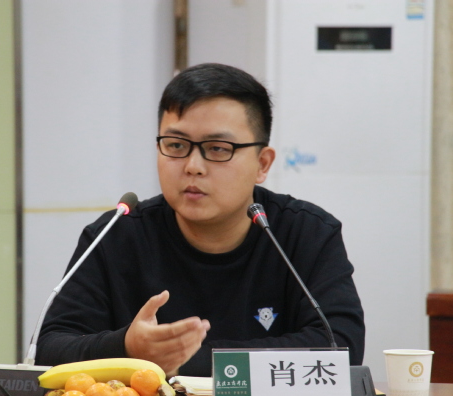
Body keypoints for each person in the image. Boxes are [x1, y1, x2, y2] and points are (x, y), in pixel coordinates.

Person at [35, 63, 365, 377]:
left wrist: (179, 360)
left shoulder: (306, 233)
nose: (193, 166)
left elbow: (339, 347)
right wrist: (127, 347)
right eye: (176, 145)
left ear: (262, 164)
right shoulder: (116, 235)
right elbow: (49, 349)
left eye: (218, 148)